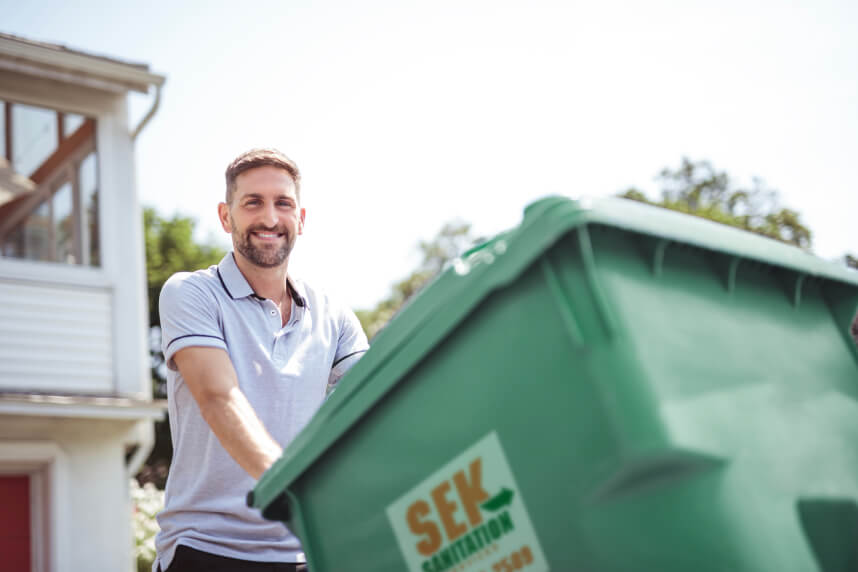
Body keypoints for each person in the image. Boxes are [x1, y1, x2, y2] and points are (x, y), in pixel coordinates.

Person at [153, 149, 368, 571]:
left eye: (282, 203)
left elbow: (370, 402)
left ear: (301, 218)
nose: (269, 218)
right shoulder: (192, 294)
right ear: (225, 215)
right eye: (253, 202)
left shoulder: (333, 314)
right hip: (206, 548)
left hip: (304, 553)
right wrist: (295, 492)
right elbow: (219, 397)